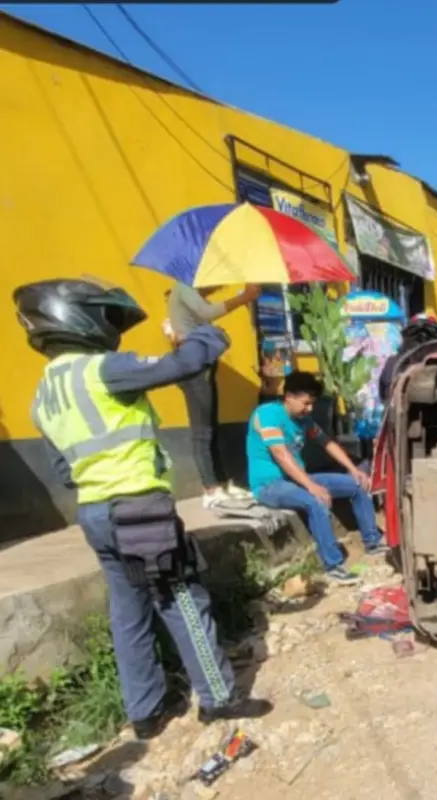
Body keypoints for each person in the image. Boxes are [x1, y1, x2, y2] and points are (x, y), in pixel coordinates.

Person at [15, 279, 272, 739]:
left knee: (128, 609)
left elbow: (63, 470)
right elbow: (185, 363)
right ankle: (219, 698)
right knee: (181, 598)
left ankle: (146, 712)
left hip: (95, 512)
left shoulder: (43, 395)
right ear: (78, 319)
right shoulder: (102, 369)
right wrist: (208, 334)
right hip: (138, 506)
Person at [248, 371, 386, 584]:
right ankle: (333, 565)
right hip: (270, 485)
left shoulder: (305, 420)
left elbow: (327, 442)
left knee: (358, 484)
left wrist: (353, 468)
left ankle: (372, 542)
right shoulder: (267, 414)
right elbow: (280, 454)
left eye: (312, 403)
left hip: (297, 479)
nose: (310, 409)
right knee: (316, 501)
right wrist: (311, 486)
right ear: (289, 397)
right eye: (306, 403)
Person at [165, 282, 261, 509]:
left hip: (204, 363)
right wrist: (243, 298)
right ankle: (210, 489)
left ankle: (223, 484)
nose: (216, 286)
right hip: (193, 366)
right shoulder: (183, 288)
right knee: (202, 431)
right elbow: (207, 313)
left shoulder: (192, 295)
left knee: (212, 427)